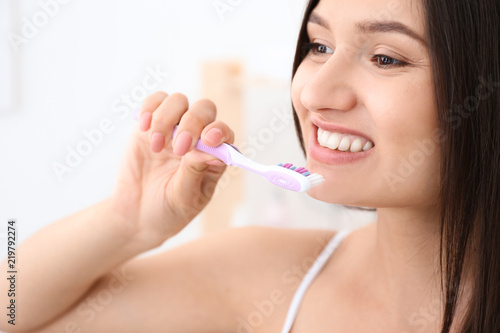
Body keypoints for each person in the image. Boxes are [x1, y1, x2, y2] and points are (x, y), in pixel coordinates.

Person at [2, 0, 499, 332]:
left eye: (387, 58)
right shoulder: (268, 273)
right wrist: (125, 222)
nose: (314, 92)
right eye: (319, 46)